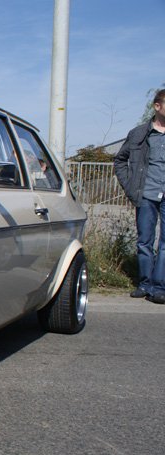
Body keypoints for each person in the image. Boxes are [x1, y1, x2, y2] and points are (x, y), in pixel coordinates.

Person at [114, 88, 165, 304]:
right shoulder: (139, 134)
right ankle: (145, 284)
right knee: (145, 241)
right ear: (157, 106)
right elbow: (120, 160)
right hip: (146, 194)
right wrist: (130, 186)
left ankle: (159, 288)